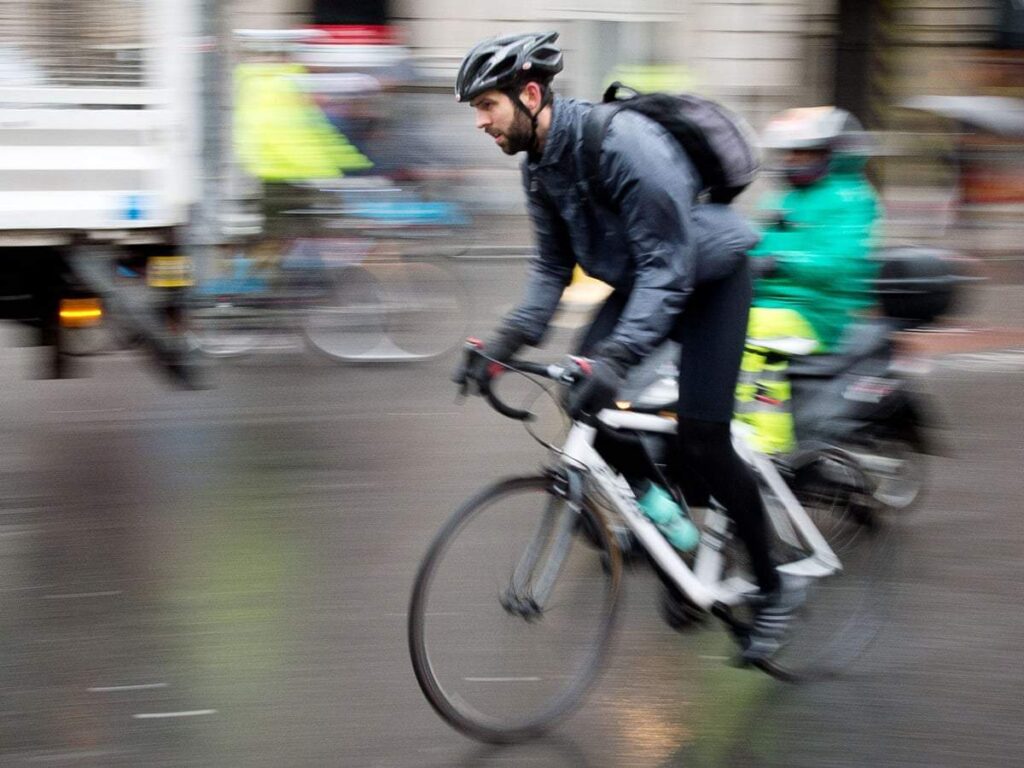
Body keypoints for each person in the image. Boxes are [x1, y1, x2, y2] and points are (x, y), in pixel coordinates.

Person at [452, 31, 803, 663]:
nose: (480, 122)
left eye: (487, 106)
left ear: (530, 95)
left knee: (704, 436)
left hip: (708, 279)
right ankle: (678, 541)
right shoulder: (539, 169)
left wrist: (614, 360)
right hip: (645, 283)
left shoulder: (622, 145)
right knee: (583, 399)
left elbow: (669, 271)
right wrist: (501, 342)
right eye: (477, 110)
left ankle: (775, 589)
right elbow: (549, 272)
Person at [737, 107, 880, 455]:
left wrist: (779, 262)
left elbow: (838, 262)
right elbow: (754, 240)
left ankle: (767, 440)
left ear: (834, 153)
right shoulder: (788, 196)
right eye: (791, 152)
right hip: (773, 301)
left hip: (816, 310)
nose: (793, 160)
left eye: (804, 152)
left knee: (751, 333)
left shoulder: (851, 199)